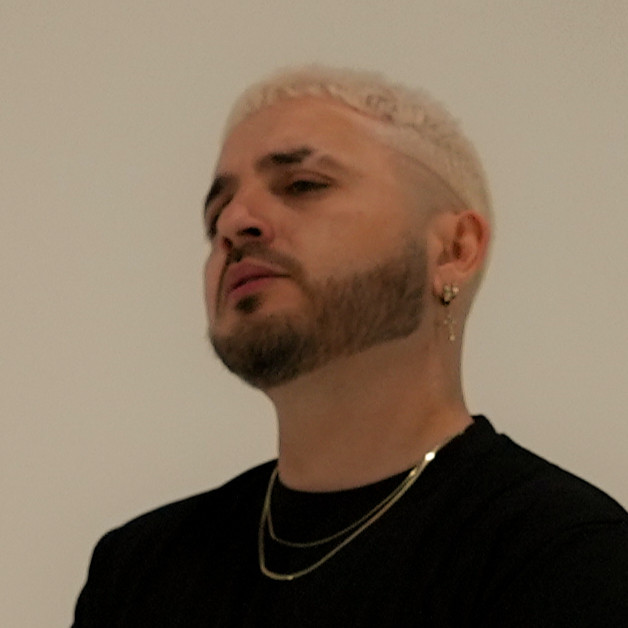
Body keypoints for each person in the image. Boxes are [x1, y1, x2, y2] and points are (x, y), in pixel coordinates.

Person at [73, 66, 628, 627]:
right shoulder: (137, 570)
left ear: (453, 249)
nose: (234, 224)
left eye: (302, 185)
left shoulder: (566, 557)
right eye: (215, 217)